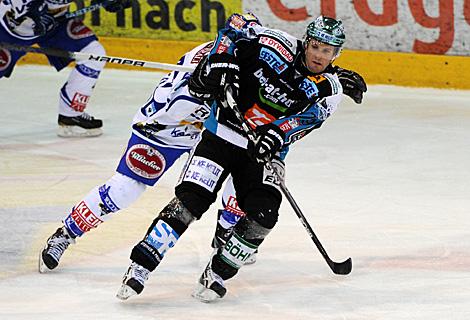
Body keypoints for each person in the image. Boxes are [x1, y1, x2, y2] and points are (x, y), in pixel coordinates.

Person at [115, 15, 367, 302]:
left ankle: (218, 272)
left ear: (336, 54)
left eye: (327, 51)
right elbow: (235, 25)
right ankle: (140, 266)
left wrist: (275, 135)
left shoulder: (330, 90)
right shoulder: (274, 44)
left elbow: (303, 122)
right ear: (306, 42)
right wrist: (222, 59)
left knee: (264, 215)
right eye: (316, 46)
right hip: (221, 134)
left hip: (261, 153)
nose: (319, 55)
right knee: (190, 202)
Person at [37, 13, 265, 274]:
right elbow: (176, 109)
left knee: (243, 170)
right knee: (123, 191)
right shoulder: (206, 61)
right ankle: (65, 233)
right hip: (166, 128)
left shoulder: (250, 63)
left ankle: (225, 234)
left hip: (211, 130)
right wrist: (202, 90)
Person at [0, 0, 131, 137]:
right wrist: (32, 13)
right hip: (9, 29)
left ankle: (71, 116)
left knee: (93, 53)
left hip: (54, 25)